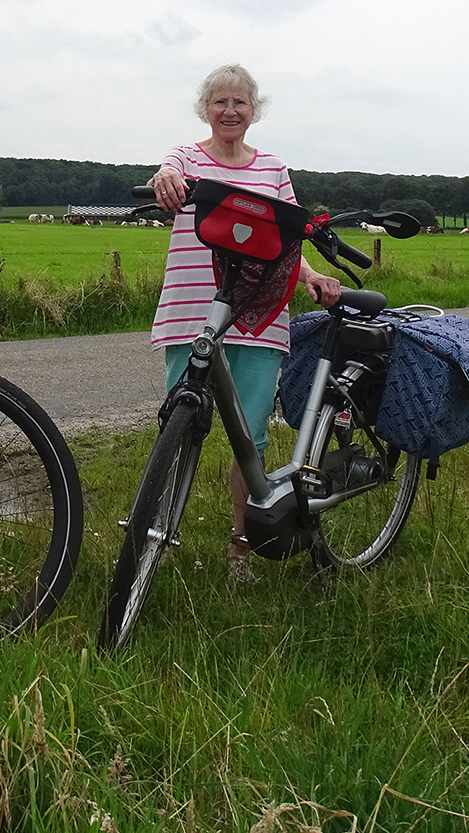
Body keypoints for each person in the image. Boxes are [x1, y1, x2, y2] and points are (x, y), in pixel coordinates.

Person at [147, 63, 341, 579]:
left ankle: (240, 548)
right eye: (219, 102)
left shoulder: (273, 169)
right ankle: (159, 539)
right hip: (194, 311)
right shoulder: (186, 159)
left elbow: (288, 237)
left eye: (240, 103)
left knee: (250, 438)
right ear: (205, 110)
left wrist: (311, 276)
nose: (229, 111)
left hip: (261, 314)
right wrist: (166, 180)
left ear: (254, 111)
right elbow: (165, 174)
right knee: (180, 427)